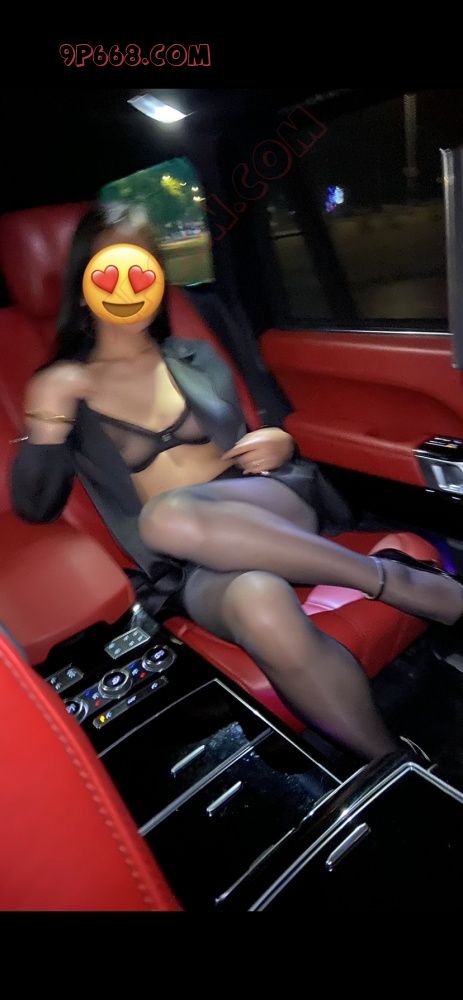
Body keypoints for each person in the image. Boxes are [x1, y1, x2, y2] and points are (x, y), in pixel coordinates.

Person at [10, 202, 463, 762]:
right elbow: (35, 505)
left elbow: (265, 425)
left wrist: (280, 441)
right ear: (83, 289)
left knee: (166, 515)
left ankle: (391, 581)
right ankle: (395, 768)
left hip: (270, 508)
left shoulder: (194, 354)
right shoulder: (63, 386)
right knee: (258, 604)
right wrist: (48, 416)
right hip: (188, 567)